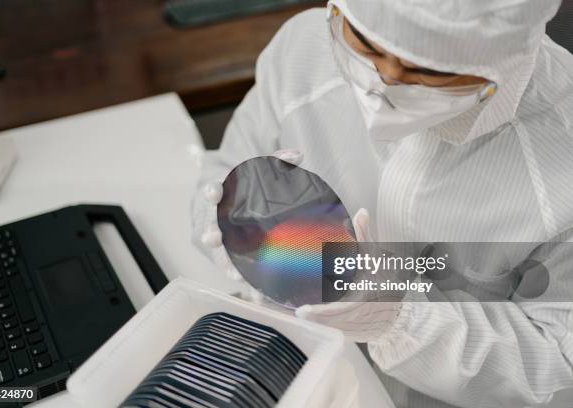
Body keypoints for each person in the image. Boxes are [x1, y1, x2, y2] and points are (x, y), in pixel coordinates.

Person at [191, 0, 573, 406]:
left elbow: (558, 368)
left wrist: (399, 319)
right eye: (367, 46)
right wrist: (230, 218)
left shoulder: (562, 157)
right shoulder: (304, 47)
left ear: (499, 61)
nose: (383, 83)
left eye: (427, 70)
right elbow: (226, 163)